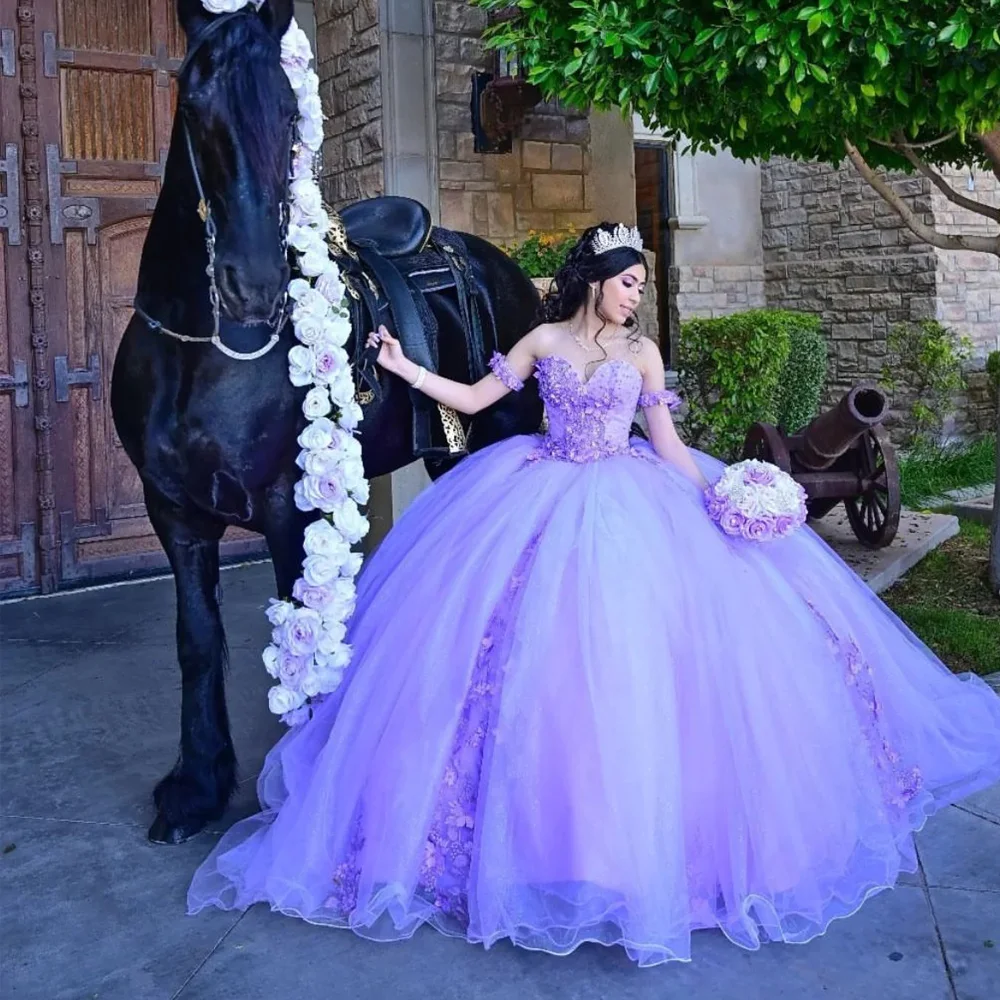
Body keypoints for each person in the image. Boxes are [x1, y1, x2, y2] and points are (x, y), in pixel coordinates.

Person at [188, 222, 1000, 966]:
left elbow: (671, 445)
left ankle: (631, 849)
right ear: (595, 283)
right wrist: (403, 367)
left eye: (642, 286)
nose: (637, 295)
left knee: (632, 664)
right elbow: (477, 401)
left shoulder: (642, 357)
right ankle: (538, 842)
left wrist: (720, 500)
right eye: (629, 283)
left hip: (630, 500)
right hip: (537, 491)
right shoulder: (542, 338)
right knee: (523, 659)